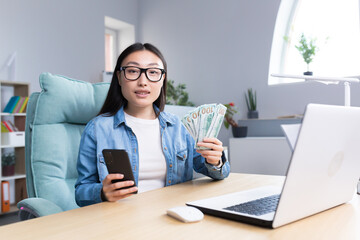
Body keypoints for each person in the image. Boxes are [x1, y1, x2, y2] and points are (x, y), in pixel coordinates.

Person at [75, 43, 230, 207]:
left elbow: (216, 172)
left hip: (173, 215)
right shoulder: (97, 129)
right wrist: (102, 192)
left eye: (153, 72)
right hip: (121, 222)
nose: (143, 82)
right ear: (120, 77)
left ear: (162, 79)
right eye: (133, 71)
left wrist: (216, 161)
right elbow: (81, 193)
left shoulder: (178, 127)